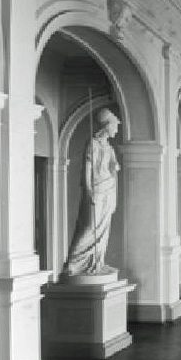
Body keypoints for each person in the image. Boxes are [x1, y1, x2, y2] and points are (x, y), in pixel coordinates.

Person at [63, 108, 121, 277]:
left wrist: (114, 169)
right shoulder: (93, 144)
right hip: (96, 189)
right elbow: (87, 170)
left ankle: (97, 262)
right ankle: (73, 264)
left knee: (103, 230)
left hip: (108, 189)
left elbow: (113, 170)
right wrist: (88, 192)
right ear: (107, 126)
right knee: (90, 227)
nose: (116, 129)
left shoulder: (109, 148)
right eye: (115, 126)